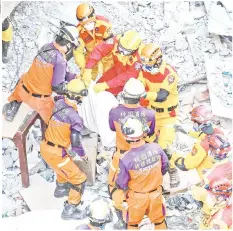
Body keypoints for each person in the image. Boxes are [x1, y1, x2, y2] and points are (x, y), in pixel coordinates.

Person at [2, 26, 80, 123]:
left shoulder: (46, 47)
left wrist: (73, 77)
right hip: (39, 101)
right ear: (68, 44)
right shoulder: (60, 61)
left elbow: (51, 71)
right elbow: (57, 87)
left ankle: (13, 106)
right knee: (55, 121)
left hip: (22, 90)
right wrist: (74, 91)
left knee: (25, 75)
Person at [108, 78, 157, 229]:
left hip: (121, 156)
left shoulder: (115, 112)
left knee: (116, 185)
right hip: (141, 156)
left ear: (124, 94)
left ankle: (123, 214)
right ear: (141, 96)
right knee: (137, 186)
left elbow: (111, 128)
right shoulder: (149, 114)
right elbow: (152, 133)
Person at [40, 79, 88, 220]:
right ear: (78, 97)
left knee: (63, 166)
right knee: (79, 179)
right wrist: (83, 155)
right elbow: (76, 142)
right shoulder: (75, 118)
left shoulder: (60, 103)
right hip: (56, 153)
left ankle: (60, 188)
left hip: (47, 147)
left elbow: (58, 96)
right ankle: (70, 209)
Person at [116, 116, 169, 229]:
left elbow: (121, 183)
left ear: (126, 136)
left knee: (133, 223)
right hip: (156, 194)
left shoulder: (125, 159)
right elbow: (165, 167)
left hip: (137, 198)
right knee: (159, 221)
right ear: (144, 132)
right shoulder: (156, 148)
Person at [138, 43, 180, 188]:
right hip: (152, 113)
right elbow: (139, 84)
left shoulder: (169, 74)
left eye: (148, 64)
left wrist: (143, 94)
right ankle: (153, 174)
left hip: (168, 115)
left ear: (157, 59)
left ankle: (172, 170)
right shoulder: (145, 71)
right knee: (147, 142)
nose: (146, 68)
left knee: (163, 147)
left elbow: (162, 95)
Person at [170, 105, 225, 179]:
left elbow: (185, 165)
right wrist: (185, 131)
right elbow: (202, 134)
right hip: (219, 172)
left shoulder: (201, 146)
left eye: (194, 122)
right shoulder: (217, 131)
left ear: (198, 123)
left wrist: (172, 155)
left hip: (208, 179)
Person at [81, 29, 142, 95]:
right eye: (120, 48)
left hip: (129, 79)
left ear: (134, 50)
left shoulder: (138, 60)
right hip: (116, 68)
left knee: (111, 94)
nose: (121, 52)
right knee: (99, 84)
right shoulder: (115, 41)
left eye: (126, 51)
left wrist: (107, 85)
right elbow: (99, 50)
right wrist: (88, 69)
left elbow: (127, 76)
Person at [191, 134, 232, 229]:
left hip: (212, 210)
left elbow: (201, 194)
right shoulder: (230, 164)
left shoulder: (219, 221)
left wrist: (192, 188)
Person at [74, 3, 114, 80]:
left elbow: (110, 43)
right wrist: (84, 68)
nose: (88, 24)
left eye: (90, 22)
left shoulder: (104, 24)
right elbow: (78, 53)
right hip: (90, 55)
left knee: (109, 76)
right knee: (87, 78)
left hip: (106, 54)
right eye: (86, 23)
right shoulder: (78, 32)